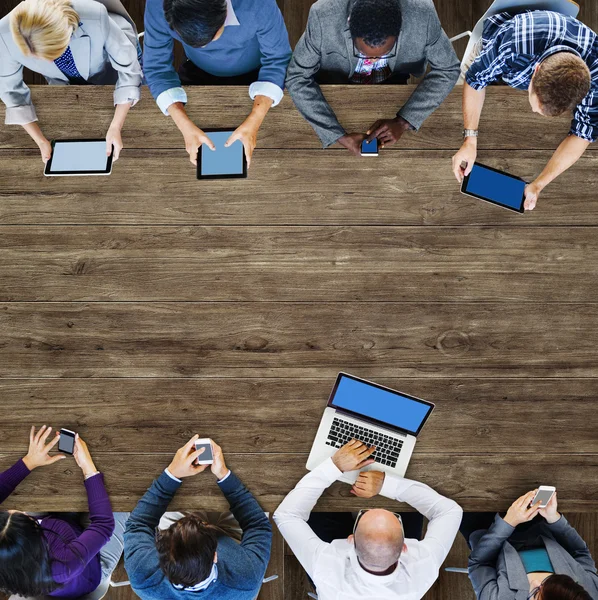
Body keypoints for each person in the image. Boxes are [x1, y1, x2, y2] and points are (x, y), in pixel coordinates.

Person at [273, 439, 463, 599]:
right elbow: (449, 512)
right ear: (405, 547)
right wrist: (386, 485)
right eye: (392, 517)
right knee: (408, 505)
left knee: (320, 509)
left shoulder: (326, 568)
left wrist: (335, 466)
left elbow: (286, 515)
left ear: (351, 539)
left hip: (335, 579)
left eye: (363, 515)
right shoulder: (423, 566)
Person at [452, 10, 598, 211]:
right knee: (450, 106)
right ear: (536, 70)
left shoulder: (595, 79)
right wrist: (470, 139)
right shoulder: (515, 42)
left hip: (526, 60)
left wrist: (538, 184)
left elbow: (583, 133)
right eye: (535, 104)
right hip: (495, 48)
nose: (532, 111)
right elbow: (475, 80)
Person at [285, 0, 460, 155]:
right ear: (349, 26)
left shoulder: (423, 13)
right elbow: (296, 77)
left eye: (385, 52)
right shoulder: (323, 15)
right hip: (335, 84)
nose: (373, 60)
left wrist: (404, 121)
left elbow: (448, 69)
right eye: (363, 52)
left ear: (399, 30)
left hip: (393, 81)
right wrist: (338, 136)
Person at [143, 0, 291, 167]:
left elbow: (277, 59)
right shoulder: (156, 4)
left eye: (210, 37)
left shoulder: (258, 3)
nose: (204, 47)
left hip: (259, 73)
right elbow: (156, 67)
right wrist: (182, 123)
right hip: (195, 69)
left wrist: (256, 118)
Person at [123, 435, 272, 599]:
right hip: (233, 540)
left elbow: (138, 524)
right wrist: (224, 475)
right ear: (216, 555)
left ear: (160, 558)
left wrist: (172, 473)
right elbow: (258, 526)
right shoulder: (246, 579)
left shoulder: (143, 577)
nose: (197, 519)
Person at [0, 0, 142, 164]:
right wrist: (40, 141)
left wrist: (116, 126)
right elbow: (11, 92)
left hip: (113, 55)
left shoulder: (96, 16)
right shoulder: (3, 34)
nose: (46, 61)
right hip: (62, 79)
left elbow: (129, 71)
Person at [0, 425, 127, 598]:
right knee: (126, 504)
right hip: (92, 563)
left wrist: (29, 462)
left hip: (61, 532)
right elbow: (103, 525)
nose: (15, 509)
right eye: (22, 516)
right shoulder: (62, 566)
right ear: (31, 536)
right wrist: (87, 466)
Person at [461, 490, 598, 600]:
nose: (537, 582)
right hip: (539, 521)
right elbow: (580, 553)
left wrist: (508, 522)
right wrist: (554, 518)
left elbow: (479, 563)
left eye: (536, 592)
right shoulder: (590, 593)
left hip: (487, 533)